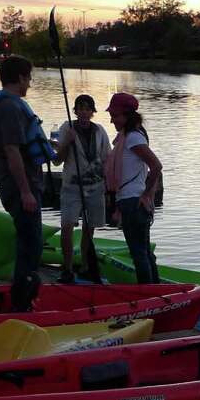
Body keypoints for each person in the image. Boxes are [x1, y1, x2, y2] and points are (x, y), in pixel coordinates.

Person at [0, 54, 56, 309]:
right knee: (30, 243)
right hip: (19, 185)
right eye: (29, 78)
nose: (29, 84)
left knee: (29, 240)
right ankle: (22, 302)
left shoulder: (7, 105)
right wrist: (25, 192)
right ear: (21, 77)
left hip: (22, 182)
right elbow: (12, 150)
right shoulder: (10, 108)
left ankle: (23, 296)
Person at [51, 94, 111, 283]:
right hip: (72, 187)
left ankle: (86, 264)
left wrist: (109, 188)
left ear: (92, 112)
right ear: (75, 111)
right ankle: (67, 268)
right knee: (67, 226)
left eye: (88, 108)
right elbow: (57, 160)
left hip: (95, 187)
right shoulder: (67, 128)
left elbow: (107, 158)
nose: (84, 112)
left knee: (89, 227)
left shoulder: (100, 130)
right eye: (80, 108)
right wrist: (67, 142)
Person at [104, 92, 163, 284]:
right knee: (144, 251)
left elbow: (156, 166)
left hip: (133, 202)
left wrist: (146, 194)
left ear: (127, 115)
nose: (112, 120)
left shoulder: (132, 138)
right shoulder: (128, 137)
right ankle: (156, 289)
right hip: (130, 200)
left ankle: (147, 293)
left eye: (115, 115)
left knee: (138, 253)